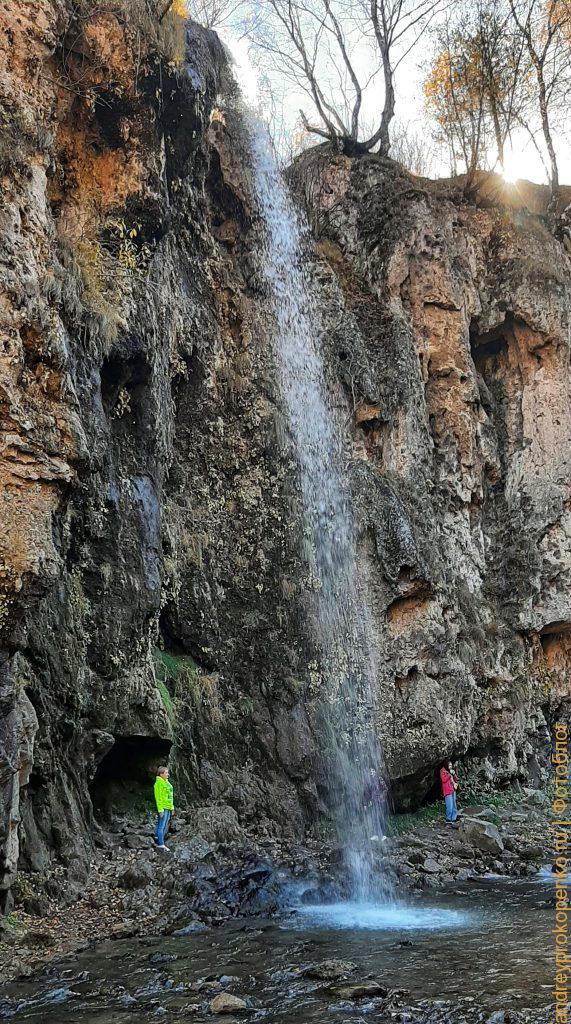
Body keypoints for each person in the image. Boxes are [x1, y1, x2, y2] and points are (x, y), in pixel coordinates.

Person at [154, 765, 174, 850]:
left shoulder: (167, 782)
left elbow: (170, 796)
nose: (168, 774)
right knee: (161, 826)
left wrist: (172, 808)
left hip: (168, 807)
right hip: (163, 808)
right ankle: (161, 844)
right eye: (166, 773)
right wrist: (160, 810)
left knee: (163, 824)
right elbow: (158, 798)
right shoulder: (158, 784)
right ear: (161, 774)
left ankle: (157, 837)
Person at [440, 760, 460, 824]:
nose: (450, 767)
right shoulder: (442, 771)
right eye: (449, 765)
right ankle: (448, 820)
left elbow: (457, 779)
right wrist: (449, 774)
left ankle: (453, 819)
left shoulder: (451, 771)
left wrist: (454, 774)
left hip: (453, 790)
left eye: (451, 765)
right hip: (447, 790)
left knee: (454, 805)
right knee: (449, 806)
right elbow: (444, 780)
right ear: (446, 765)